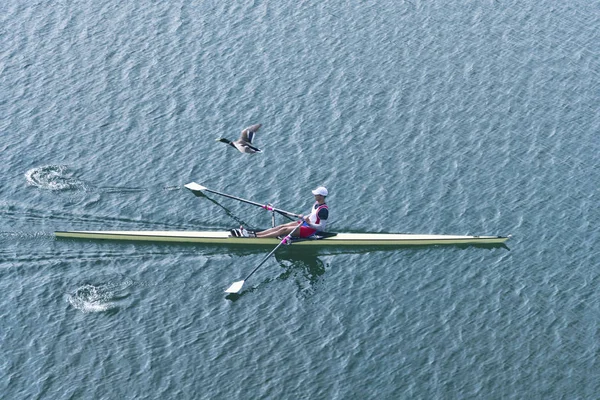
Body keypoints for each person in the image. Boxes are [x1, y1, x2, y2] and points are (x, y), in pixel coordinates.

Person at [240, 186, 329, 238]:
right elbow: (313, 214)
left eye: (316, 194)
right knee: (282, 226)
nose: (314, 195)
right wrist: (303, 217)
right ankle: (256, 234)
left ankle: (257, 237)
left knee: (283, 230)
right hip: (306, 224)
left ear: (321, 196)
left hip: (312, 230)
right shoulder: (317, 203)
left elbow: (321, 228)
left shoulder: (324, 211)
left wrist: (309, 223)